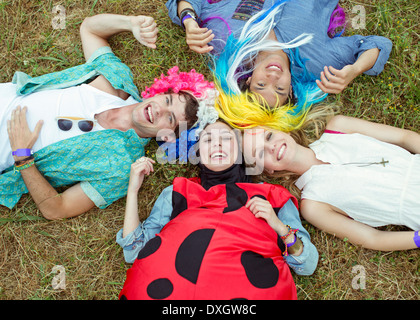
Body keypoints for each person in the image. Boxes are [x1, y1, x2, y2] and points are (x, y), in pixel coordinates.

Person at [0, 13, 214, 220]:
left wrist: (23, 157)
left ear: (167, 136)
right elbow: (90, 29)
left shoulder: (121, 169)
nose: (160, 110)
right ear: (160, 93)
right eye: (167, 101)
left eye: (169, 119)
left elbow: (57, 209)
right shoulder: (115, 82)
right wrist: (130, 23)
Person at [116, 119, 318, 300]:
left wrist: (280, 227)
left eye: (226, 138)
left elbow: (307, 265)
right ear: (198, 154)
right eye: (208, 140)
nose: (217, 143)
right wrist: (132, 191)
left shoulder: (273, 196)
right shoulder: (177, 192)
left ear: (240, 151)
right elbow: (134, 252)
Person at [241, 105, 420, 251]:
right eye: (261, 153)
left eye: (269, 136)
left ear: (282, 130)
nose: (271, 146)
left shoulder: (339, 127)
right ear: (267, 171)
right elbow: (374, 239)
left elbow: (405, 137)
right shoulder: (313, 205)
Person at [166, 0, 392, 108]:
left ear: (248, 79)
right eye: (280, 88)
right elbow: (377, 44)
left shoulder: (223, 38)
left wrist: (188, 20)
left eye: (261, 85)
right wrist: (354, 69)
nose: (272, 79)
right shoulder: (318, 63)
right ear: (292, 87)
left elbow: (185, 3)